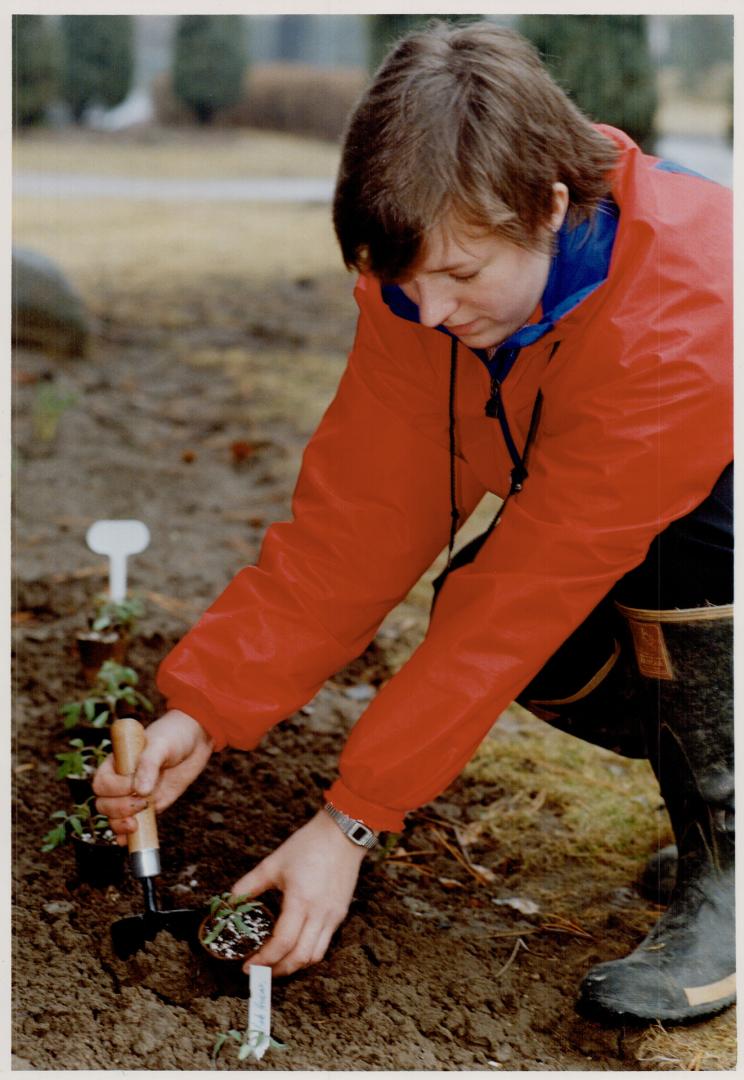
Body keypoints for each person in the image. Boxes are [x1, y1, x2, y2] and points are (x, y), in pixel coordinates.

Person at [94, 21, 733, 1025]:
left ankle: (729, 866)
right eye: (404, 283)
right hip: (627, 528)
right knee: (556, 647)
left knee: (671, 564)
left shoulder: (685, 312)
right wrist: (204, 709)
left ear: (550, 206)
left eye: (462, 279)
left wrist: (351, 823)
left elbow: (524, 592)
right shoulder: (421, 290)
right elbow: (356, 526)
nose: (429, 314)